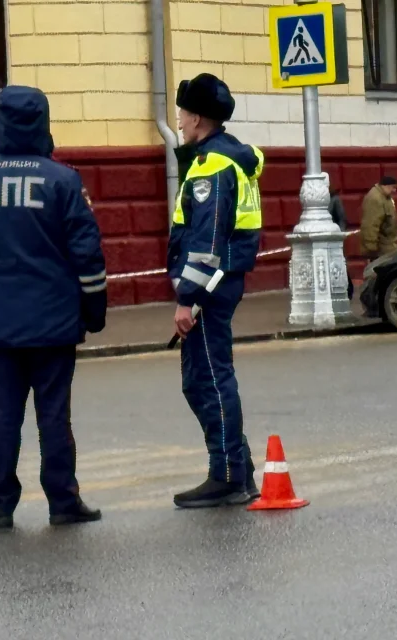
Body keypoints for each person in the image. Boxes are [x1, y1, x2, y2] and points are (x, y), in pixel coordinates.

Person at [0, 85, 108, 530]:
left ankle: (0, 503)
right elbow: (87, 255)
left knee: (4, 418)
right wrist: (94, 311)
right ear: (43, 123)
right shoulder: (62, 180)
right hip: (54, 323)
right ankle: (63, 501)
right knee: (53, 416)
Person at [167, 73, 263, 509]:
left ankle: (226, 475)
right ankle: (237, 470)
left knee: (208, 380)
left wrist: (189, 298)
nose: (180, 120)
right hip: (219, 285)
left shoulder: (212, 167)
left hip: (209, 289)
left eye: (183, 113)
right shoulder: (220, 158)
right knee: (205, 377)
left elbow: (207, 243)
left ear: (199, 118)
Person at [359, 175, 397, 260]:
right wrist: (371, 248)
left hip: (386, 246)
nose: (394, 190)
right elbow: (370, 224)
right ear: (385, 186)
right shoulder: (375, 199)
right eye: (393, 187)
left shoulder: (385, 197)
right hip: (380, 249)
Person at [328, 189, 353, 300]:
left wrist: (339, 235)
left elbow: (342, 218)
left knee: (338, 264)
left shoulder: (334, 199)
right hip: (321, 238)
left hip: (333, 238)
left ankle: (348, 290)